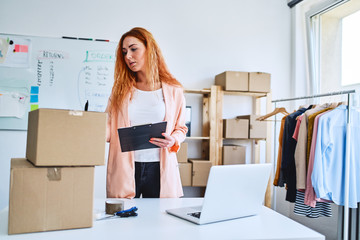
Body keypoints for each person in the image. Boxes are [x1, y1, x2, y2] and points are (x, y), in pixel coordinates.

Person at [105, 27, 188, 198]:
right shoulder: (120, 90)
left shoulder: (174, 90)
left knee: (162, 221)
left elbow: (181, 128)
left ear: (150, 49)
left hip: (159, 168)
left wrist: (174, 139)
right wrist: (85, 127)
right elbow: (108, 126)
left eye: (133, 49)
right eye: (124, 52)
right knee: (123, 221)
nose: (128, 56)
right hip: (127, 168)